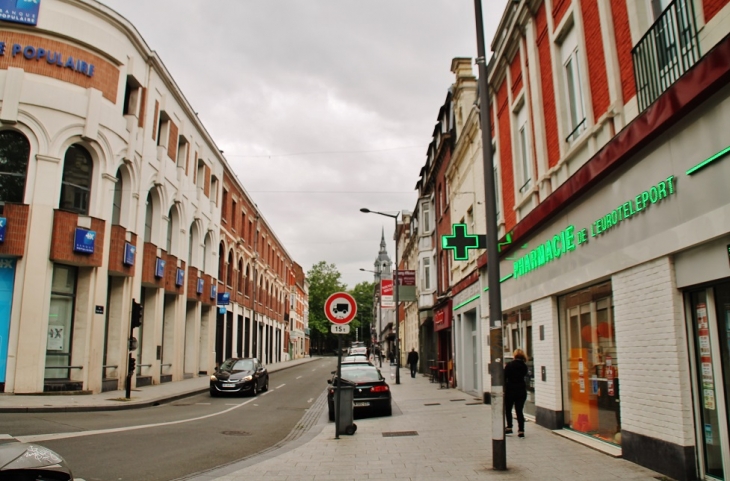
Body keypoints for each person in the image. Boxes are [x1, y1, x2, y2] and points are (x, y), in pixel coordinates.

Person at [504, 348, 528, 438]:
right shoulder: (524, 366)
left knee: (508, 409)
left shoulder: (509, 365)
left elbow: (504, 376)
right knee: (519, 410)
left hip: (510, 390)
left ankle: (509, 427)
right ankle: (521, 430)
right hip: (521, 390)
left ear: (514, 355)